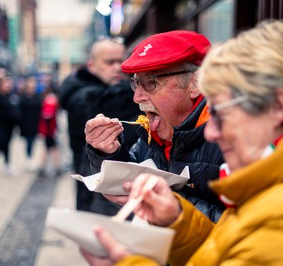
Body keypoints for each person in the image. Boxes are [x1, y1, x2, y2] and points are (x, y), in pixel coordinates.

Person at [81, 20, 283, 266]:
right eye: (136, 84)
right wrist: (177, 218)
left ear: (278, 106)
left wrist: (127, 262)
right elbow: (225, 248)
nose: (211, 132)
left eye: (220, 114)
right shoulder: (280, 181)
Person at [84, 31, 225, 222]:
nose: (136, 97)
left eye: (151, 83)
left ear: (195, 84)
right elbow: (135, 170)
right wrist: (108, 153)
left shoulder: (228, 138)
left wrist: (174, 209)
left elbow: (246, 228)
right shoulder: (153, 134)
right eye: (135, 83)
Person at [59, 38, 140, 214]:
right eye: (110, 62)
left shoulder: (111, 90)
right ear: (92, 65)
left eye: (121, 61)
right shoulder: (83, 96)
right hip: (93, 185)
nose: (118, 67)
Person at [0, 76, 21, 175]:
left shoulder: (12, 97)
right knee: (0, 142)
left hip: (10, 125)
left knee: (7, 144)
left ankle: (7, 164)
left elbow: (16, 111)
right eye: (6, 84)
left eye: (9, 84)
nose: (8, 86)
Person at [37, 85, 61, 178]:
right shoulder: (51, 100)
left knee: (49, 149)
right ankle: (50, 167)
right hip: (49, 131)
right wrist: (50, 131)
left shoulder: (48, 99)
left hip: (49, 130)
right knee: (50, 149)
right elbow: (47, 116)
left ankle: (46, 167)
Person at [18, 76, 42, 171]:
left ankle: (30, 158)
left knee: (33, 141)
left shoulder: (37, 97)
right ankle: (29, 158)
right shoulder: (23, 97)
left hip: (35, 123)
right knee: (28, 141)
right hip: (26, 124)